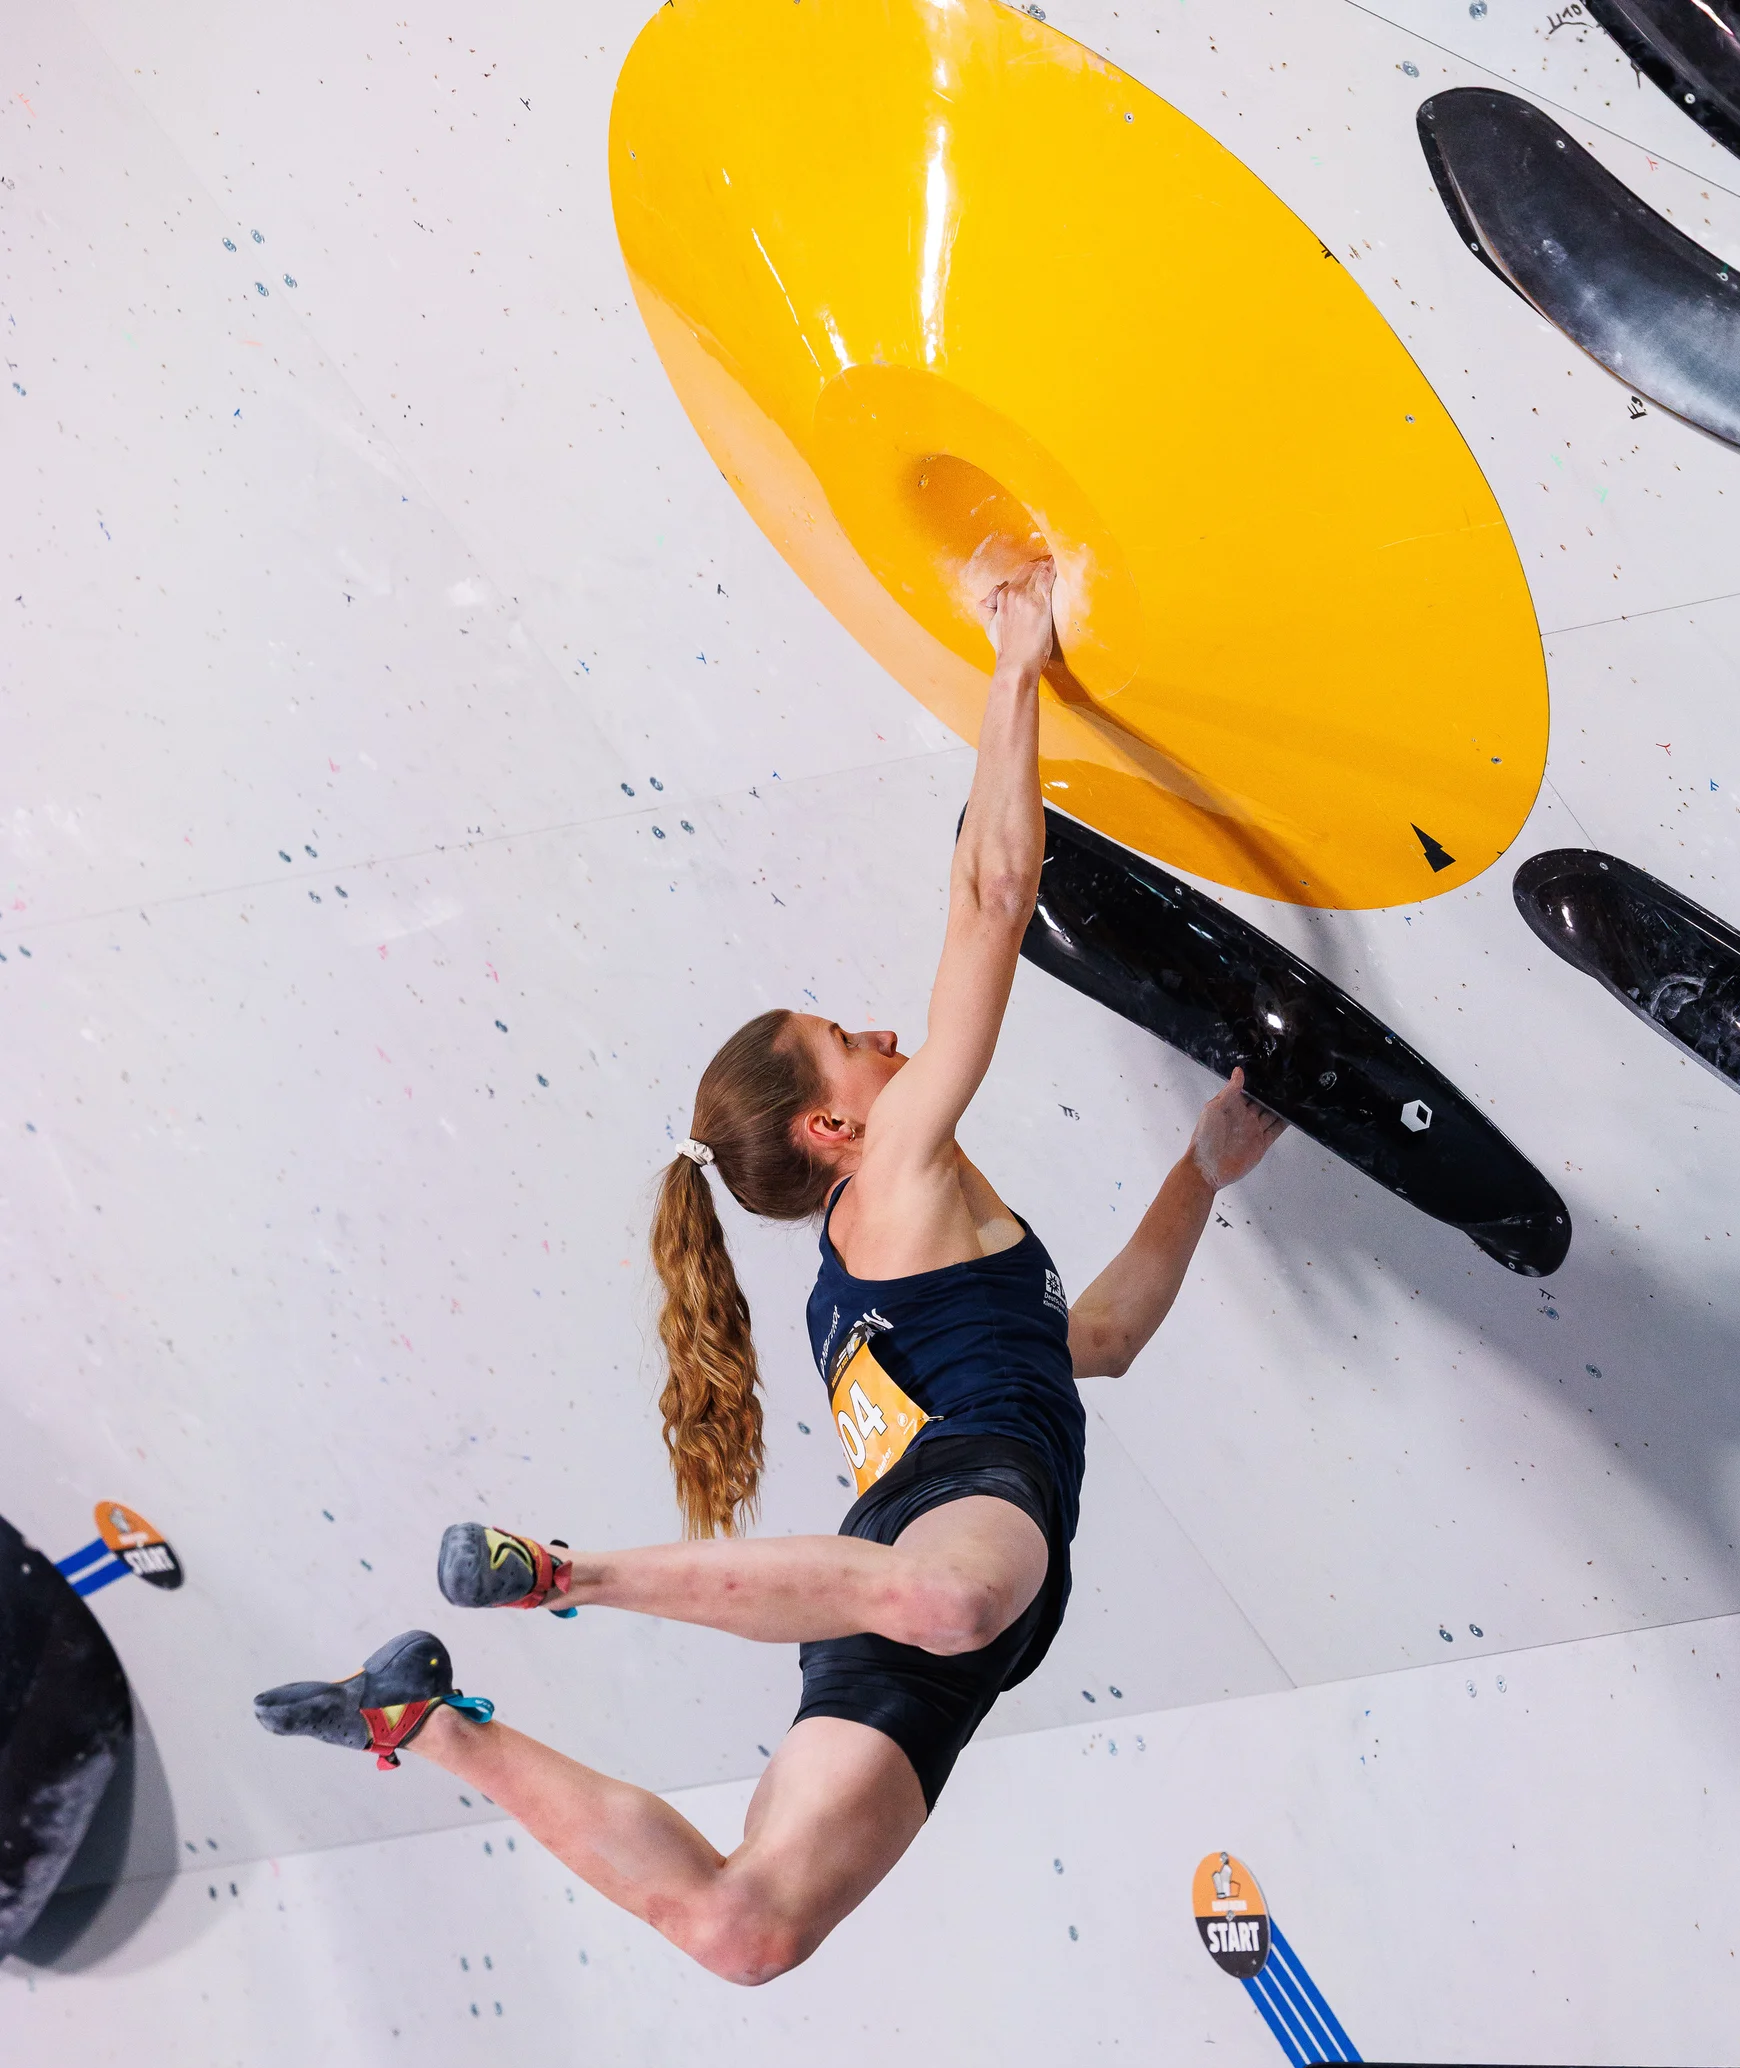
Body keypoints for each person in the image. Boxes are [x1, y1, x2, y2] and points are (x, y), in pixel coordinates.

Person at [255, 559, 1283, 1984]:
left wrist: (1199, 1173)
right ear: (834, 1128)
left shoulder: (862, 1276)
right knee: (930, 1626)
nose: (882, 1030)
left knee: (746, 1924)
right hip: (956, 1532)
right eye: (850, 1038)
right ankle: (565, 1572)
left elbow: (1095, 1337)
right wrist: (1013, 661)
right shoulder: (899, 1170)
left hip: (928, 1588)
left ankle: (421, 1723)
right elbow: (992, 894)